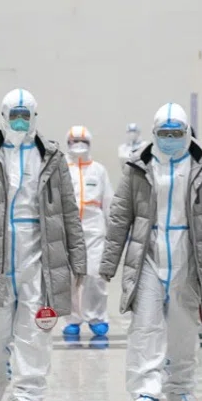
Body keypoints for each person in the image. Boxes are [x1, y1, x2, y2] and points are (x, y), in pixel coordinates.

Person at [0, 88, 87, 401]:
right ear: (2, 115)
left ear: (34, 118)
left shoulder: (52, 157)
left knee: (34, 331)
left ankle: (28, 397)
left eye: (25, 115)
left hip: (37, 255)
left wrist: (77, 259)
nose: (19, 120)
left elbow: (69, 211)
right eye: (14, 114)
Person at [100, 103, 202, 401]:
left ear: (187, 134)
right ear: (154, 133)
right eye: (164, 133)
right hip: (149, 253)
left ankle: (181, 387)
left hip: (188, 255)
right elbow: (120, 215)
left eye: (177, 133)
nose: (170, 139)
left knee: (184, 327)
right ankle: (145, 390)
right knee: (145, 324)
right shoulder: (138, 167)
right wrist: (109, 262)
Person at [62, 125, 115, 338]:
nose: (78, 146)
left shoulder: (99, 170)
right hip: (69, 231)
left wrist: (115, 231)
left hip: (95, 231)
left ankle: (97, 317)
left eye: (82, 142)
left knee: (95, 275)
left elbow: (109, 202)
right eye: (74, 142)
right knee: (70, 278)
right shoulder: (61, 169)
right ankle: (72, 319)